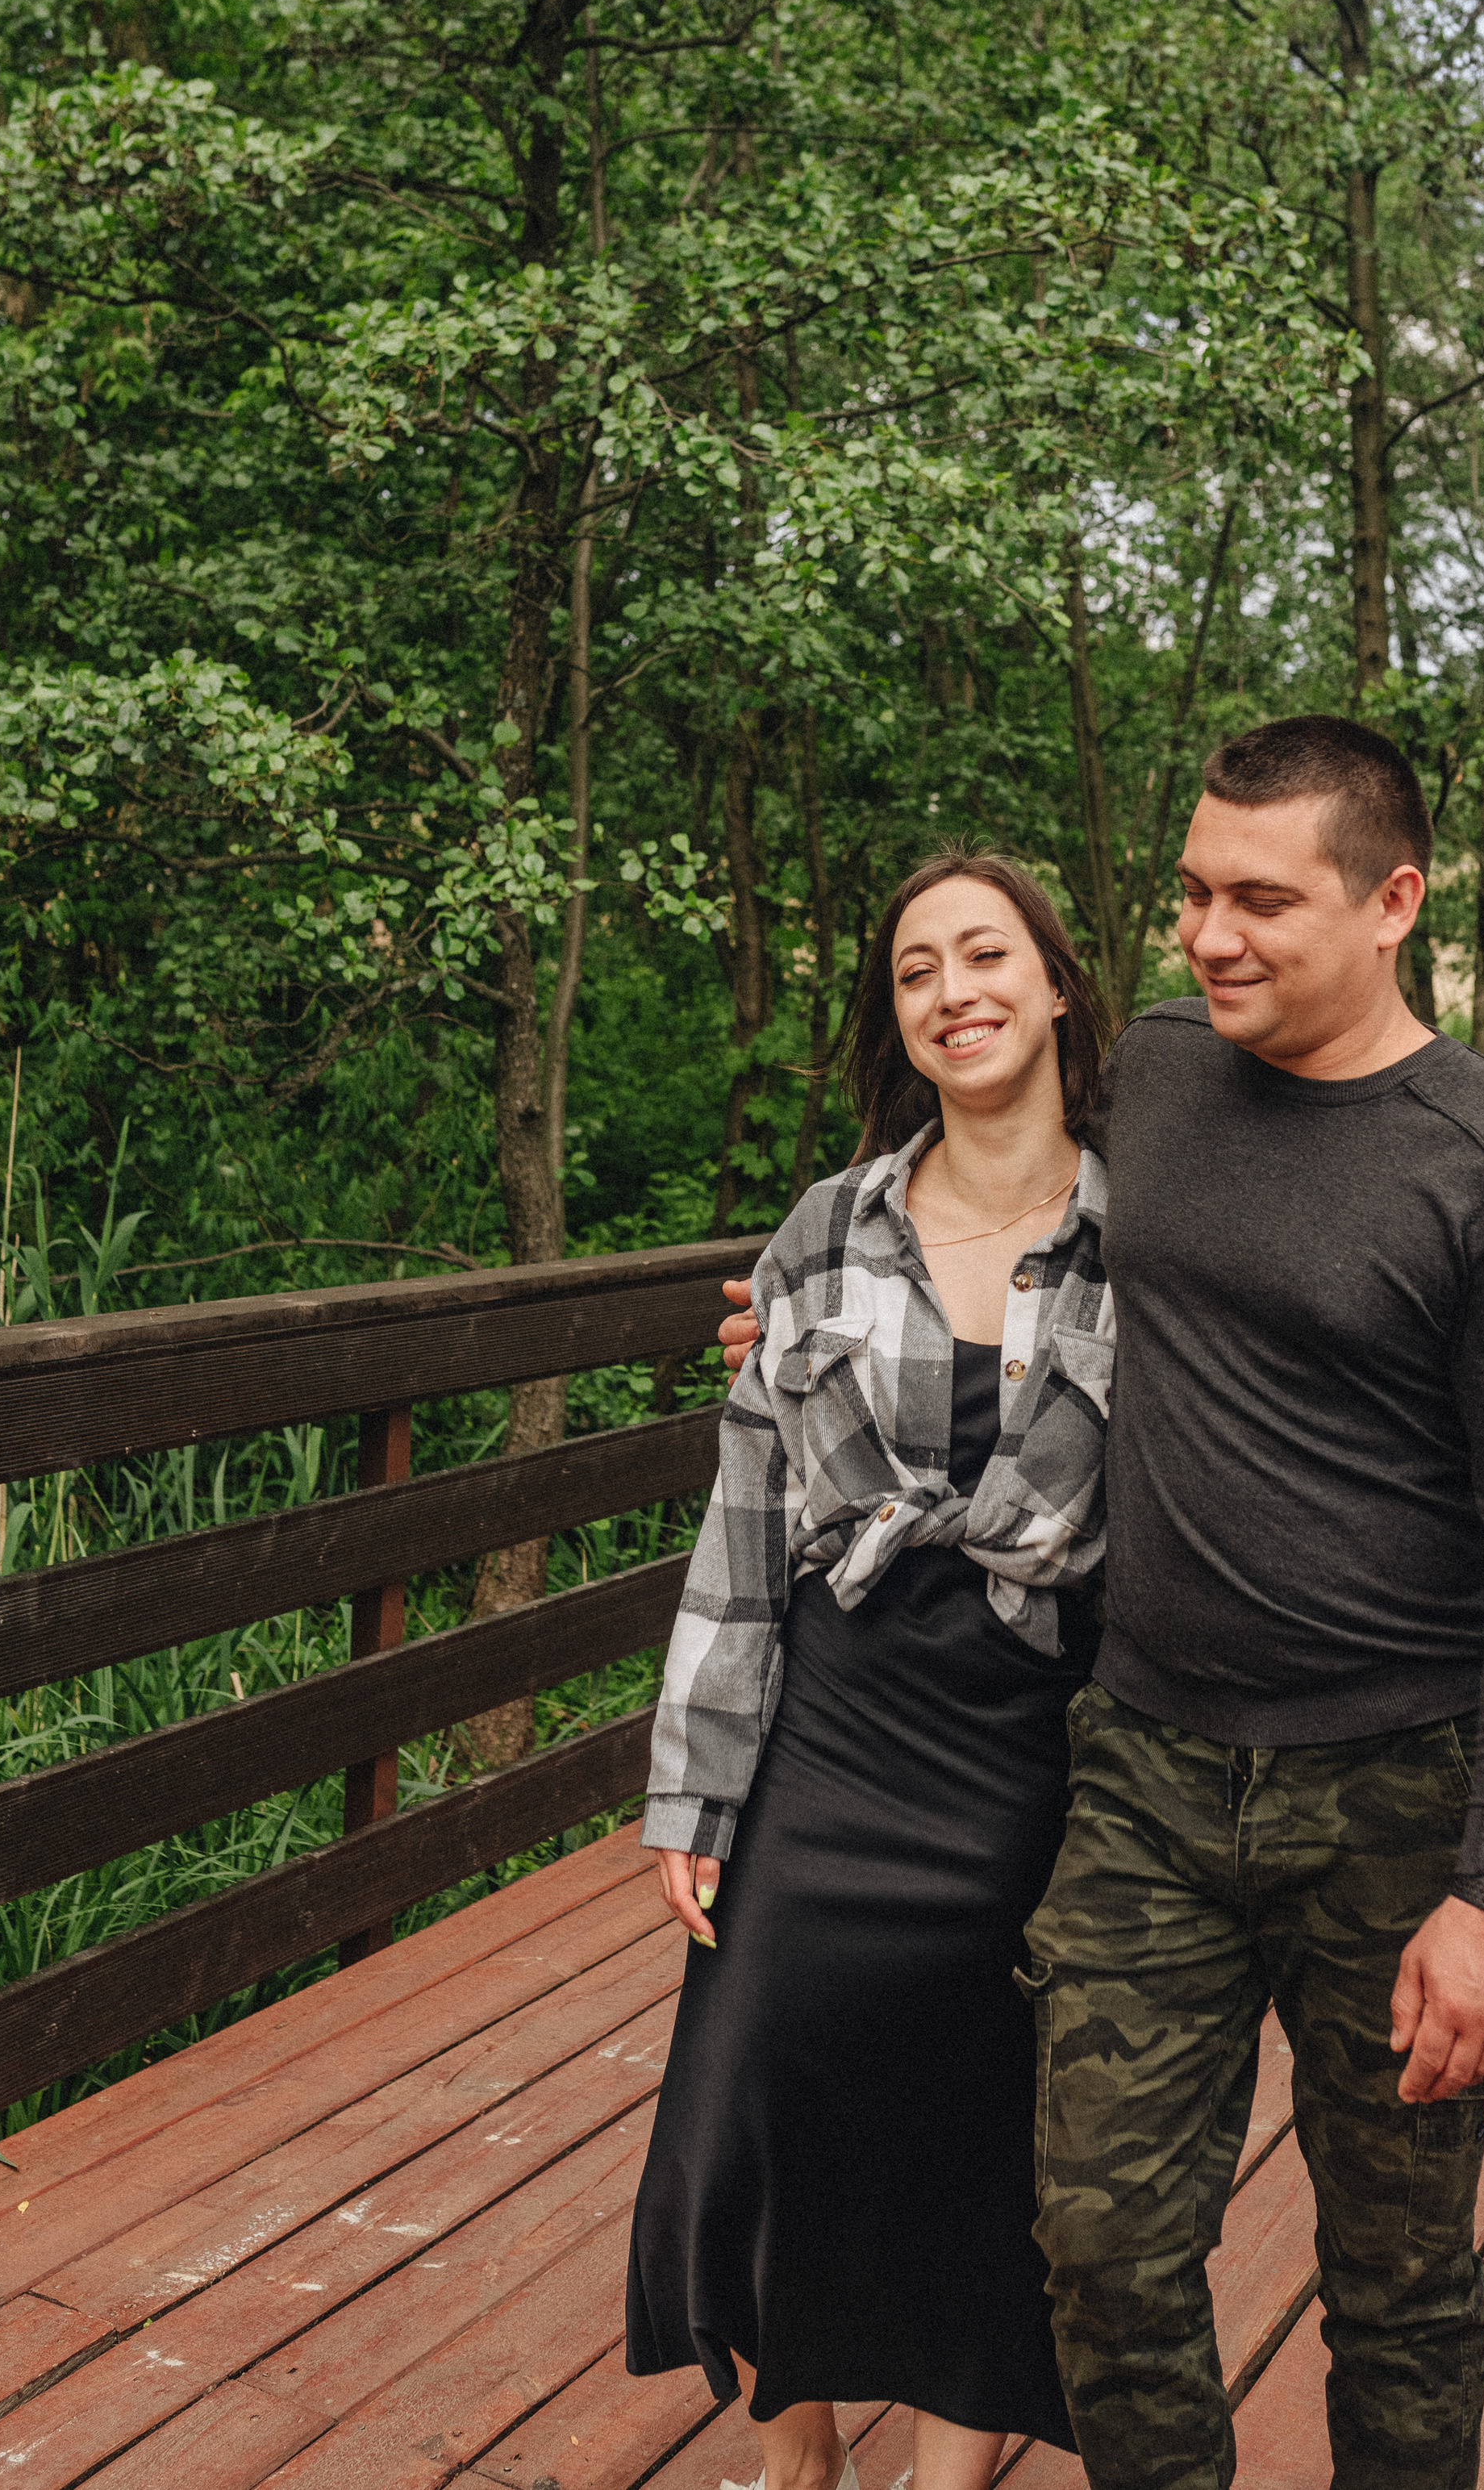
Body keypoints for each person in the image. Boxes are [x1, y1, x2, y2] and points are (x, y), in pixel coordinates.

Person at [718, 717, 1484, 2490]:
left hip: (1389, 1792)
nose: (1207, 934)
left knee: (1396, 2278)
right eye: (1192, 889)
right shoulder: (1159, 1072)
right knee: (1103, 2255)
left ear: (1392, 903)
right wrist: (811, 1320)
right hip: (1139, 1767)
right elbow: (987, 1182)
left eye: (1260, 898)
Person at [628, 852, 1116, 2490]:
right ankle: (798, 2458)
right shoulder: (824, 1232)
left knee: (977, 2124)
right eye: (917, 968)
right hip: (832, 1726)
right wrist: (695, 1784)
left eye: (986, 953)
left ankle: (947, 2471)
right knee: (761, 2094)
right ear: (896, 1016)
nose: (953, 989)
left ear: (1056, 981)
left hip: (1028, 1738)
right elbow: (741, 1526)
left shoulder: (1151, 1229)